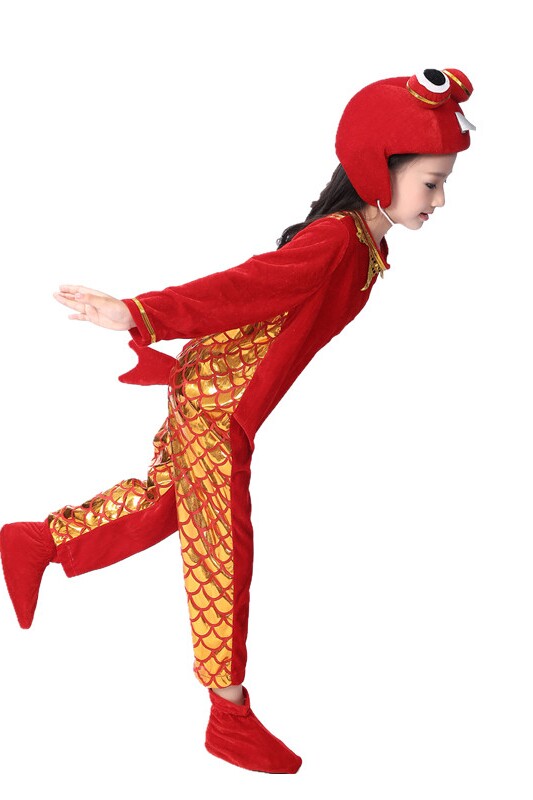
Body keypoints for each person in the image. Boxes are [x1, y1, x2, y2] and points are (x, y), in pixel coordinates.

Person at [0, 67, 475, 774]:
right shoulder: (336, 242)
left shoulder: (365, 245)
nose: (440, 200)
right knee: (221, 547)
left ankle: (37, 541)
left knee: (166, 505)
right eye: (431, 183)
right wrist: (139, 313)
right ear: (380, 169)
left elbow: (269, 318)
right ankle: (228, 714)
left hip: (214, 394)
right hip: (219, 411)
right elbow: (242, 288)